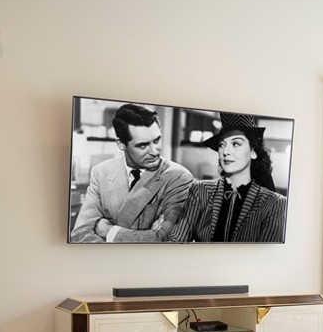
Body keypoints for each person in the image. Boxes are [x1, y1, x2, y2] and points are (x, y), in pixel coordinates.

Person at [70, 104, 193, 243]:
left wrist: (109, 232)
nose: (154, 151)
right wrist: (145, 235)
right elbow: (80, 234)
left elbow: (167, 239)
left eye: (157, 140)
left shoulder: (179, 177)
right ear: (121, 144)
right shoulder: (101, 172)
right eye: (143, 145)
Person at [170, 112, 287, 243]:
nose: (226, 151)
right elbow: (176, 241)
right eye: (222, 144)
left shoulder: (275, 204)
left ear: (253, 152)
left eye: (236, 144)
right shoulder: (200, 190)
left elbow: (267, 258)